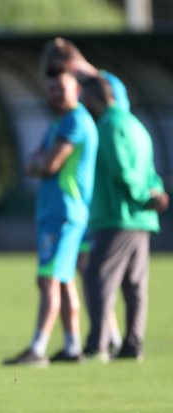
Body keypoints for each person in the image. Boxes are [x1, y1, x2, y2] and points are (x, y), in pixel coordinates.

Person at [3, 51, 97, 367]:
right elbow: (36, 160)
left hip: (63, 211)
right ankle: (72, 347)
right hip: (57, 210)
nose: (56, 94)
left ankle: (38, 349)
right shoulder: (59, 122)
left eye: (62, 88)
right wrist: (37, 163)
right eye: (51, 89)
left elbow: (47, 163)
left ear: (77, 88)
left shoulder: (74, 121)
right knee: (65, 278)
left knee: (47, 280)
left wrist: (38, 164)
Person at [40, 37, 128, 357]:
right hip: (87, 196)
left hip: (95, 197)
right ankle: (107, 336)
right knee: (83, 269)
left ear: (72, 68)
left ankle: (106, 336)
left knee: (94, 271)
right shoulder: (67, 112)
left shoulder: (107, 87)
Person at [80, 76, 169, 363]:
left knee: (97, 277)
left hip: (117, 216)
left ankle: (97, 344)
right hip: (142, 219)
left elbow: (122, 170)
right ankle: (132, 344)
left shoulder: (108, 125)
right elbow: (148, 168)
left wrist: (142, 196)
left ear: (94, 98)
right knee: (134, 285)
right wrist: (155, 193)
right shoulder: (137, 126)